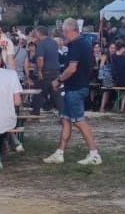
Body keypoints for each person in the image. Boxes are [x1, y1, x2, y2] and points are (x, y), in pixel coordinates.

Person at [43, 18, 101, 165]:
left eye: (64, 31)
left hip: (75, 88)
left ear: (71, 30)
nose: (63, 34)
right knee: (65, 120)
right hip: (76, 87)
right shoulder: (85, 43)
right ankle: (60, 153)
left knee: (79, 121)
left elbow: (71, 68)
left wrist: (58, 80)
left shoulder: (76, 45)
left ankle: (94, 154)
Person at [32, 26, 61, 117]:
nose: (34, 34)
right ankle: (62, 113)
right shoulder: (54, 42)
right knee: (56, 93)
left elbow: (40, 59)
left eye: (35, 33)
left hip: (45, 71)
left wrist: (39, 71)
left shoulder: (41, 44)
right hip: (56, 71)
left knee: (39, 91)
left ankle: (35, 112)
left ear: (39, 33)